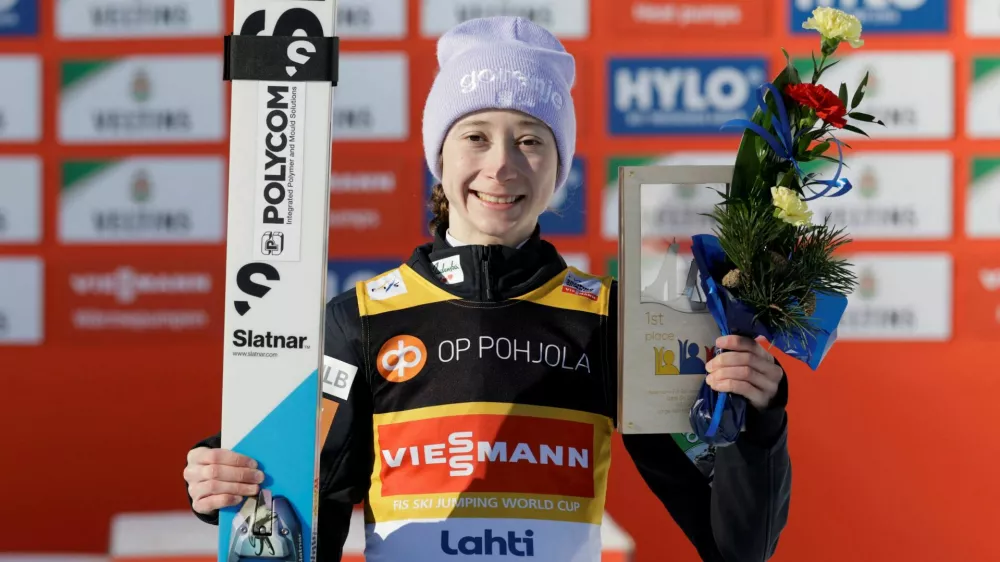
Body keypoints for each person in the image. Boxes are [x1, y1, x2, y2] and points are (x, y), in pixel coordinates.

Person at [183, 16, 791, 562]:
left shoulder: (613, 322)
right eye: (475, 135)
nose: (502, 165)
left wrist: (758, 420)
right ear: (439, 155)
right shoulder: (360, 320)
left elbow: (736, 546)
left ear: (559, 166)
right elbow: (302, 528)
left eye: (531, 139)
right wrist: (235, 483)